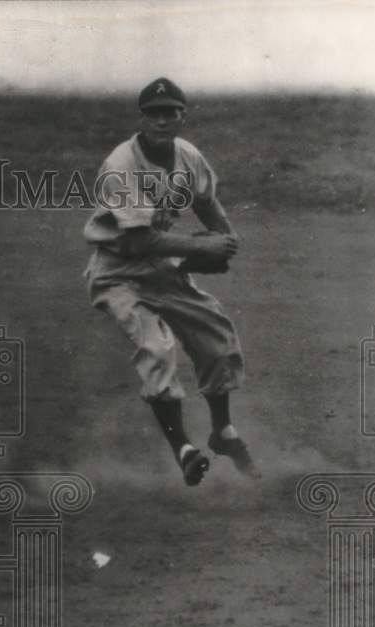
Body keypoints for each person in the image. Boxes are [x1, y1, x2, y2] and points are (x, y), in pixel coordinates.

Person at [82, 76, 260, 486]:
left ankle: (222, 431)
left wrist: (225, 240)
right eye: (154, 114)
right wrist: (201, 250)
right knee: (157, 349)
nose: (162, 121)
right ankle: (183, 448)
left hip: (162, 269)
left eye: (170, 113)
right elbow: (139, 239)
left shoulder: (186, 154)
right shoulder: (121, 165)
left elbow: (206, 202)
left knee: (216, 335)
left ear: (182, 115)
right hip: (118, 272)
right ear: (142, 118)